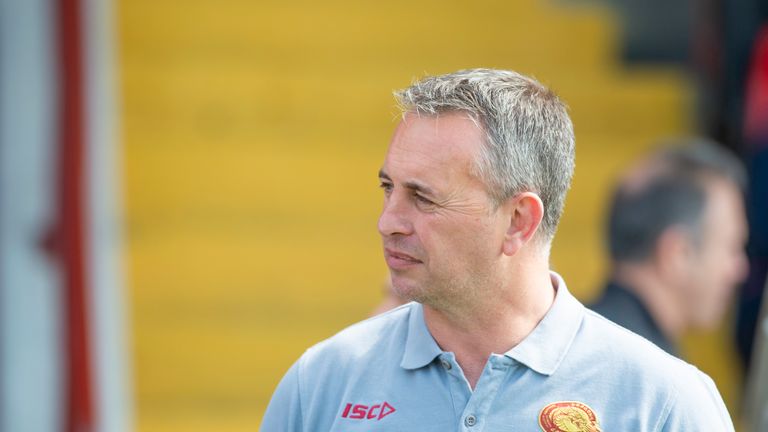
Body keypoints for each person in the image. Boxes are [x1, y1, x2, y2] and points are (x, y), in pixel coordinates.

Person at [261, 69, 735, 431]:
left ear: (519, 220)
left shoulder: (664, 402)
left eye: (423, 197)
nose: (387, 222)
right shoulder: (321, 384)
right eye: (388, 188)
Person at [591, 140, 748, 357]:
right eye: (732, 249)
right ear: (678, 254)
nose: (740, 270)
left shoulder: (563, 333)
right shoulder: (657, 378)